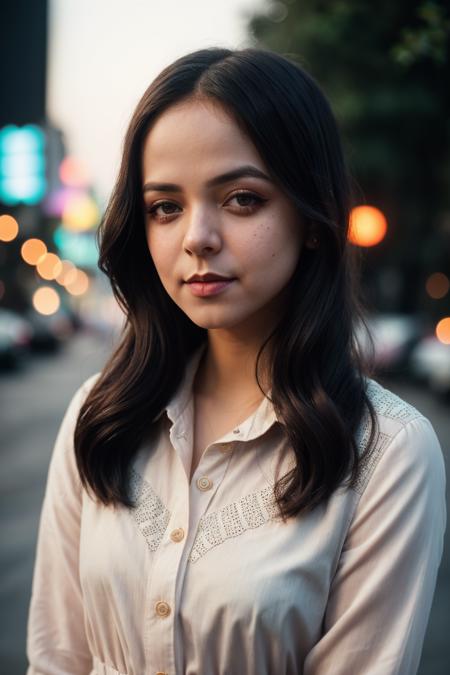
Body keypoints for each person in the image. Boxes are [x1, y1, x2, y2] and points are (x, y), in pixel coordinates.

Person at [26, 47, 446, 675]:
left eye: (242, 199)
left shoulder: (387, 452)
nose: (197, 236)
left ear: (311, 217)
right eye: (165, 207)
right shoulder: (99, 416)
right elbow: (56, 659)